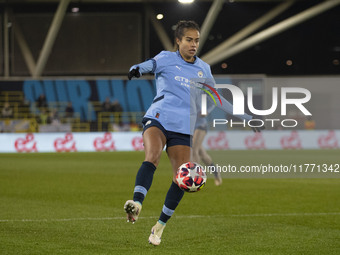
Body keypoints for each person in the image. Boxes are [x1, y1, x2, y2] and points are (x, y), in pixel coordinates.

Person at [124, 20, 259, 246]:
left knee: (183, 178)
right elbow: (148, 65)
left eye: (196, 40)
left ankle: (159, 228)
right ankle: (137, 203)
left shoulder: (203, 69)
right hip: (158, 117)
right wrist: (136, 69)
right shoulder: (166, 59)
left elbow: (217, 98)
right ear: (178, 41)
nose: (193, 44)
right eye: (189, 39)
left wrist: (245, 117)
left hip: (184, 128)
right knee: (152, 157)